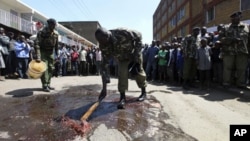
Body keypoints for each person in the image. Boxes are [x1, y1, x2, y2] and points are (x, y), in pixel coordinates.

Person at [95, 27, 147, 109]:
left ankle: (143, 92)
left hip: (134, 53)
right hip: (122, 58)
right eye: (100, 42)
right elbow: (104, 66)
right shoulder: (103, 45)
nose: (102, 44)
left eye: (103, 41)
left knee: (138, 72)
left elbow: (139, 36)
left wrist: (136, 55)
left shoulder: (123, 32)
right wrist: (104, 89)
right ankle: (122, 97)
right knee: (122, 74)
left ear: (108, 36)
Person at [219, 11, 250, 88]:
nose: (235, 19)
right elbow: (220, 39)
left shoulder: (246, 27)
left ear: (240, 18)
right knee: (228, 68)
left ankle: (240, 83)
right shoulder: (225, 27)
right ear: (231, 19)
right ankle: (227, 82)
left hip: (242, 51)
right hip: (229, 51)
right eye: (233, 18)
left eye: (237, 17)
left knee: (241, 68)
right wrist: (232, 39)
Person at [35, 18, 59, 92]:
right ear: (49, 24)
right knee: (44, 68)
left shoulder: (56, 33)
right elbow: (37, 44)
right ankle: (45, 85)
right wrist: (38, 56)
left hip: (51, 52)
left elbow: (56, 45)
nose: (54, 26)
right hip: (43, 51)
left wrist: (57, 54)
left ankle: (48, 84)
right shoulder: (42, 32)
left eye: (55, 25)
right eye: (53, 25)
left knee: (51, 68)